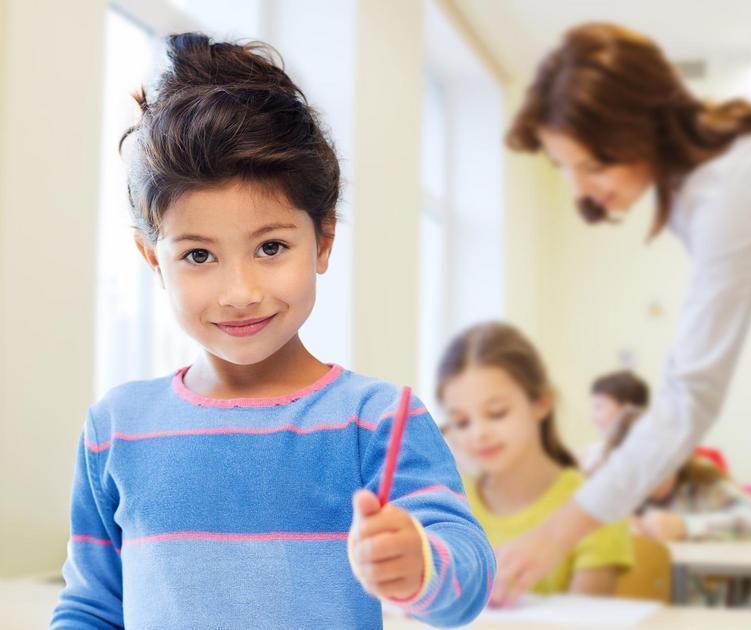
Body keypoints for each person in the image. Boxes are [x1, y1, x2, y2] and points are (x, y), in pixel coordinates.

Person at [51, 33, 493, 629]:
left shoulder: (378, 421)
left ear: (324, 241)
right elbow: (92, 607)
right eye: (199, 256)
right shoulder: (116, 429)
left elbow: (463, 580)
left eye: (271, 247)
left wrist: (419, 565)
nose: (240, 292)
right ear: (154, 259)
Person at [493, 22, 751, 629]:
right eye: (564, 167)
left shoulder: (734, 188)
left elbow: (692, 392)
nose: (580, 187)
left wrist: (556, 535)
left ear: (643, 127)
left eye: (593, 163)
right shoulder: (700, 185)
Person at [437, 322, 633, 597]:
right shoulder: (447, 506)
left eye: (497, 413)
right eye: (461, 421)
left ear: (541, 402)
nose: (478, 433)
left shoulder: (594, 508)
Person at [578, 370, 649, 474]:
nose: (593, 418)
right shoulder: (590, 453)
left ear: (626, 410)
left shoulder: (644, 454)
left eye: (599, 407)